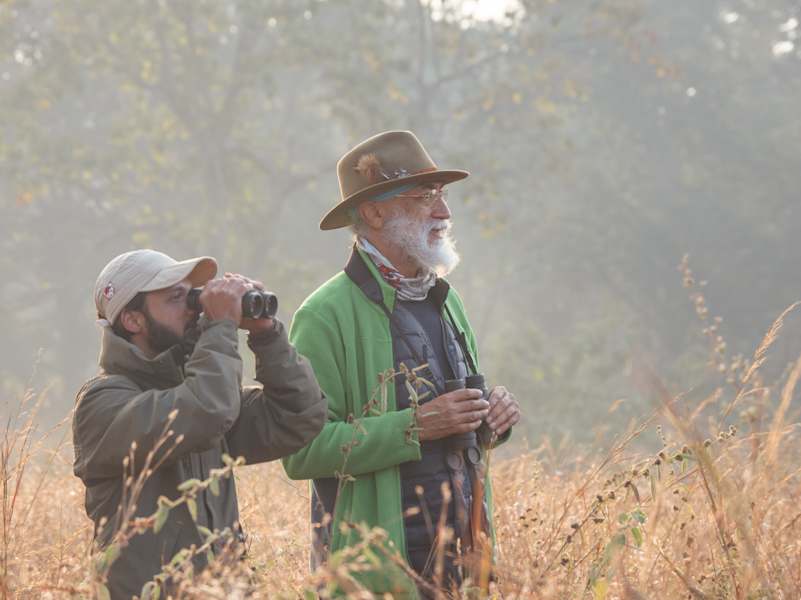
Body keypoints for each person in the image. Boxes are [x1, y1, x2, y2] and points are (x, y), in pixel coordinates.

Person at [283, 130, 521, 596]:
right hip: (376, 576)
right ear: (373, 212)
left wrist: (493, 420)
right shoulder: (323, 315)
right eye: (424, 196)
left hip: (465, 570)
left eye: (442, 195)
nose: (444, 212)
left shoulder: (446, 301)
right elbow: (302, 453)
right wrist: (416, 426)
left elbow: (462, 433)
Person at [73, 249, 326, 598]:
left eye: (193, 293)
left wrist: (266, 335)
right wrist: (220, 325)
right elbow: (206, 411)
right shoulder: (102, 403)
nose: (194, 306)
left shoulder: (196, 391)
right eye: (176, 298)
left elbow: (299, 416)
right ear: (133, 320)